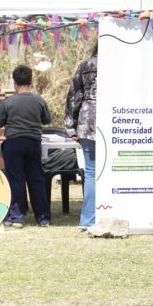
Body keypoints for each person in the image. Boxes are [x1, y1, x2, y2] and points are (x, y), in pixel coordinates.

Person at [0, 65, 52, 227]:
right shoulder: (39, 100)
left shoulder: (8, 102)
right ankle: (43, 217)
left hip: (13, 143)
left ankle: (17, 217)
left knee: (15, 180)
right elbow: (47, 120)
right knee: (36, 179)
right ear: (31, 81)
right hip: (33, 142)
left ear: (14, 82)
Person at [64, 41, 98, 230]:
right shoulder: (118, 62)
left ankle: (88, 220)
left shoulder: (85, 66)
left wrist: (71, 126)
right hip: (116, 122)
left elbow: (74, 96)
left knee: (91, 173)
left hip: (87, 121)